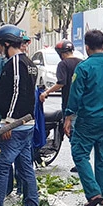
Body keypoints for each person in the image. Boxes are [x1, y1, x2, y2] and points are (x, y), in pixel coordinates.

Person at [64, 29, 103, 206]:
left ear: (87, 47)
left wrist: (68, 117)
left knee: (79, 153)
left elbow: (75, 95)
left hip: (87, 120)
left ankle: (93, 192)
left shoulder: (84, 68)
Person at [0, 24, 40, 206]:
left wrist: (7, 123)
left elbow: (17, 94)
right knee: (25, 168)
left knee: (1, 167)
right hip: (25, 124)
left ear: (7, 43)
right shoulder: (28, 62)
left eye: (0, 45)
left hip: (15, 125)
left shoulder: (16, 63)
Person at [39, 39, 84, 172]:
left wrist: (46, 92)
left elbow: (61, 83)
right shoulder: (81, 63)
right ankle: (82, 161)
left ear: (60, 53)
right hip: (83, 104)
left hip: (69, 104)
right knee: (80, 134)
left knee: (71, 133)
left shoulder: (63, 64)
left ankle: (80, 162)